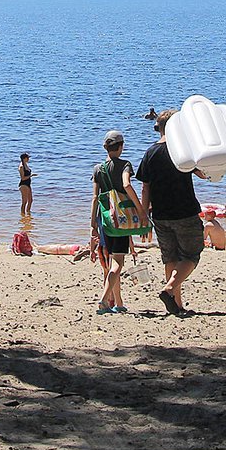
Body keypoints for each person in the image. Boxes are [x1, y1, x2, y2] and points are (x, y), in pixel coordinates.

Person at [136, 109, 206, 317]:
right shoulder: (183, 152)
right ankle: (169, 290)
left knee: (170, 258)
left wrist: (143, 214)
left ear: (158, 128)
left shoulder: (150, 153)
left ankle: (176, 305)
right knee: (192, 254)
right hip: (185, 211)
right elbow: (203, 174)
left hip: (160, 214)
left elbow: (145, 187)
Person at [90, 130, 147, 314]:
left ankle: (119, 303)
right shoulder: (125, 165)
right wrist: (140, 210)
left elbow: (94, 197)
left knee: (111, 260)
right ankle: (104, 299)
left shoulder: (98, 168)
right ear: (121, 147)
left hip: (104, 218)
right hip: (121, 220)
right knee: (118, 263)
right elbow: (126, 185)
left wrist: (92, 225)